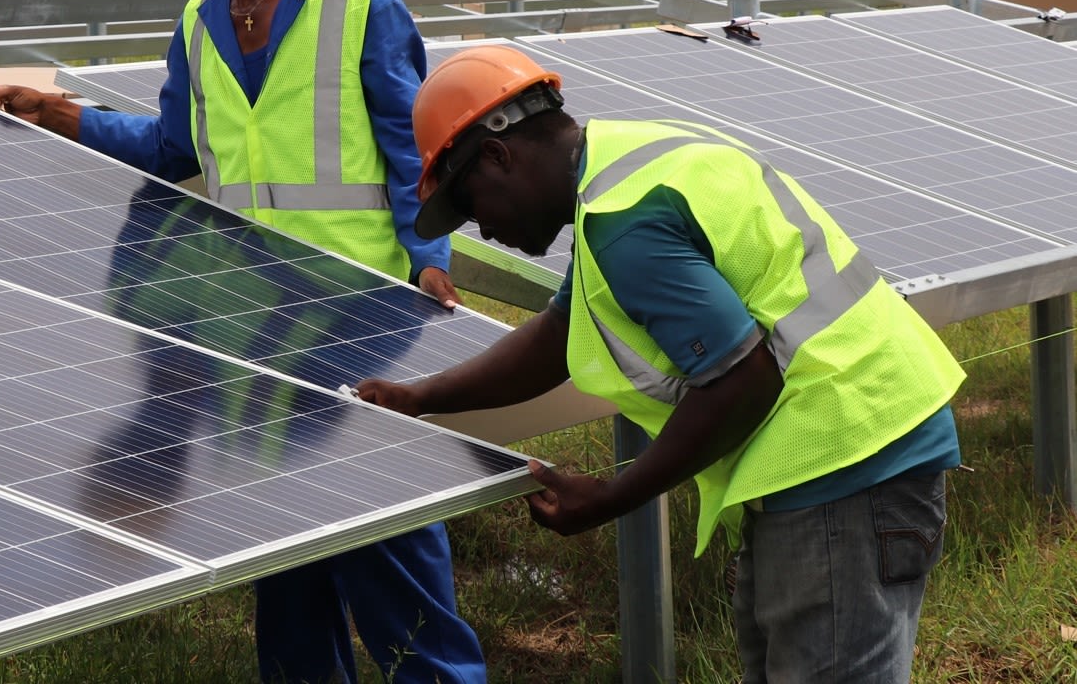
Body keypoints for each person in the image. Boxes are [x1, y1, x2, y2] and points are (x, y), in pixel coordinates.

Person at [0, 0, 484, 684]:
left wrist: (431, 262)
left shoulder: (363, 4)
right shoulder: (196, 19)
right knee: (286, 548)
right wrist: (68, 116)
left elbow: (418, 149)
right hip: (250, 321)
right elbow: (177, 148)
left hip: (359, 310)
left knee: (388, 543)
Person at [360, 46, 966, 683]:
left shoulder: (625, 222)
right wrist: (418, 396)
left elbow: (742, 378)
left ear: (498, 155)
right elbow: (557, 337)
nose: (480, 229)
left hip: (843, 459)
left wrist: (611, 497)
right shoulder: (624, 170)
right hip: (840, 451)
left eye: (470, 203)